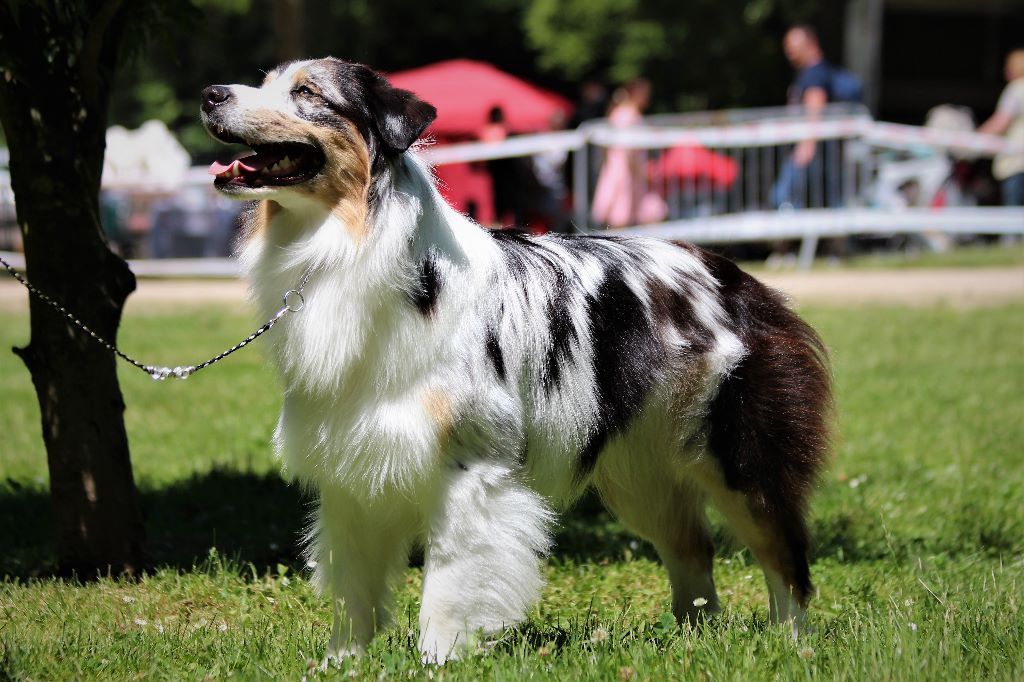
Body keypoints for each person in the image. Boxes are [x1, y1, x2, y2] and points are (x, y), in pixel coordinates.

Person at [772, 25, 849, 210]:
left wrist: (807, 145)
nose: (789, 52)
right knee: (828, 201)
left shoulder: (814, 74)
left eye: (793, 47)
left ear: (810, 44)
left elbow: (815, 108)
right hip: (818, 152)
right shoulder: (815, 72)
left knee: (782, 198)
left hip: (809, 150)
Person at [591, 79, 665, 228]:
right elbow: (628, 151)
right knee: (622, 220)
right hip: (627, 172)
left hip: (624, 170)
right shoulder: (627, 115)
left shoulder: (623, 113)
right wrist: (642, 172)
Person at [978, 49, 1024, 206]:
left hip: (1018, 165)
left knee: (1013, 222)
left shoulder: (1017, 88)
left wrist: (972, 140)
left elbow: (1000, 122)